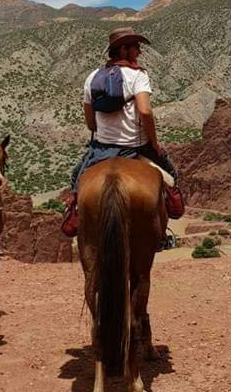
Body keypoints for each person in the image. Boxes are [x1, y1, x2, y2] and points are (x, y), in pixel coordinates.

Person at [61, 27, 183, 237]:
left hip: (101, 150)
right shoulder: (138, 75)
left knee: (76, 179)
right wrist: (153, 142)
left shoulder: (92, 78)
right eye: (136, 47)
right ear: (124, 49)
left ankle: (77, 217)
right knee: (170, 177)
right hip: (135, 147)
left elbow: (90, 123)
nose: (139, 52)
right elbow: (145, 111)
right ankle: (162, 234)